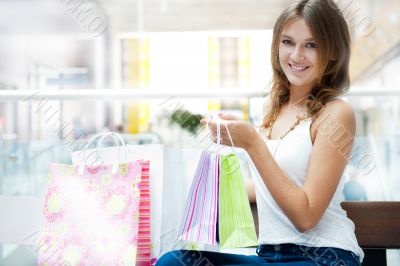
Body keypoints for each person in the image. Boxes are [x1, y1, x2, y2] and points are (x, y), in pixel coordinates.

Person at [156, 0, 363, 265]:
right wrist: (204, 186)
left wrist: (252, 143)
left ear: (333, 52)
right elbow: (275, 184)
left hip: (325, 257)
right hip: (268, 256)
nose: (297, 55)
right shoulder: (274, 111)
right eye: (288, 42)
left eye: (311, 45)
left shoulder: (336, 113)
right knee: (174, 261)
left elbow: (306, 217)